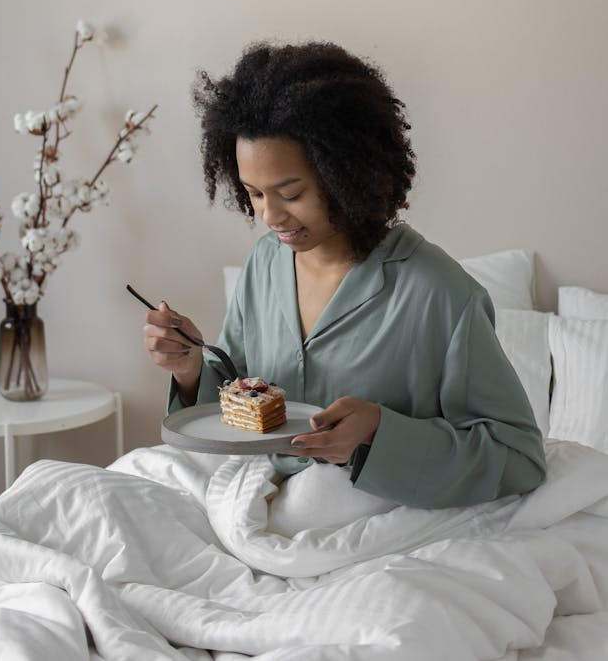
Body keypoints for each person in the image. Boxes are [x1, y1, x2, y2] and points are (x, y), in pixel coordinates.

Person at [143, 40, 546, 509]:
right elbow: (240, 398)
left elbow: (519, 458)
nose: (270, 216)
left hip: (370, 523)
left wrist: (380, 433)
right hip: (257, 504)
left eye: (290, 193)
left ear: (346, 173)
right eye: (253, 194)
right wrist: (190, 369)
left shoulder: (441, 294)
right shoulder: (265, 264)